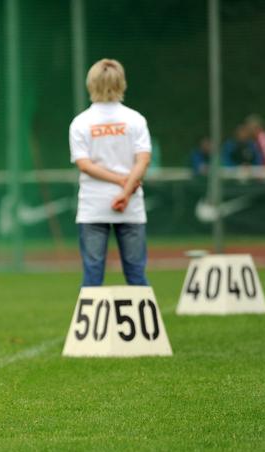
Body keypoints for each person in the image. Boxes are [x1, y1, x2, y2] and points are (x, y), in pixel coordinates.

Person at [69, 58, 152, 287]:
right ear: (122, 83)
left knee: (92, 276)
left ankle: (91, 323)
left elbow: (84, 165)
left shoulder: (80, 122)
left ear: (91, 83)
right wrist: (125, 192)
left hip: (93, 206)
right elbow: (143, 160)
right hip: (131, 205)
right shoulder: (135, 119)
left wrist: (118, 183)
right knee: (136, 274)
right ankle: (144, 324)